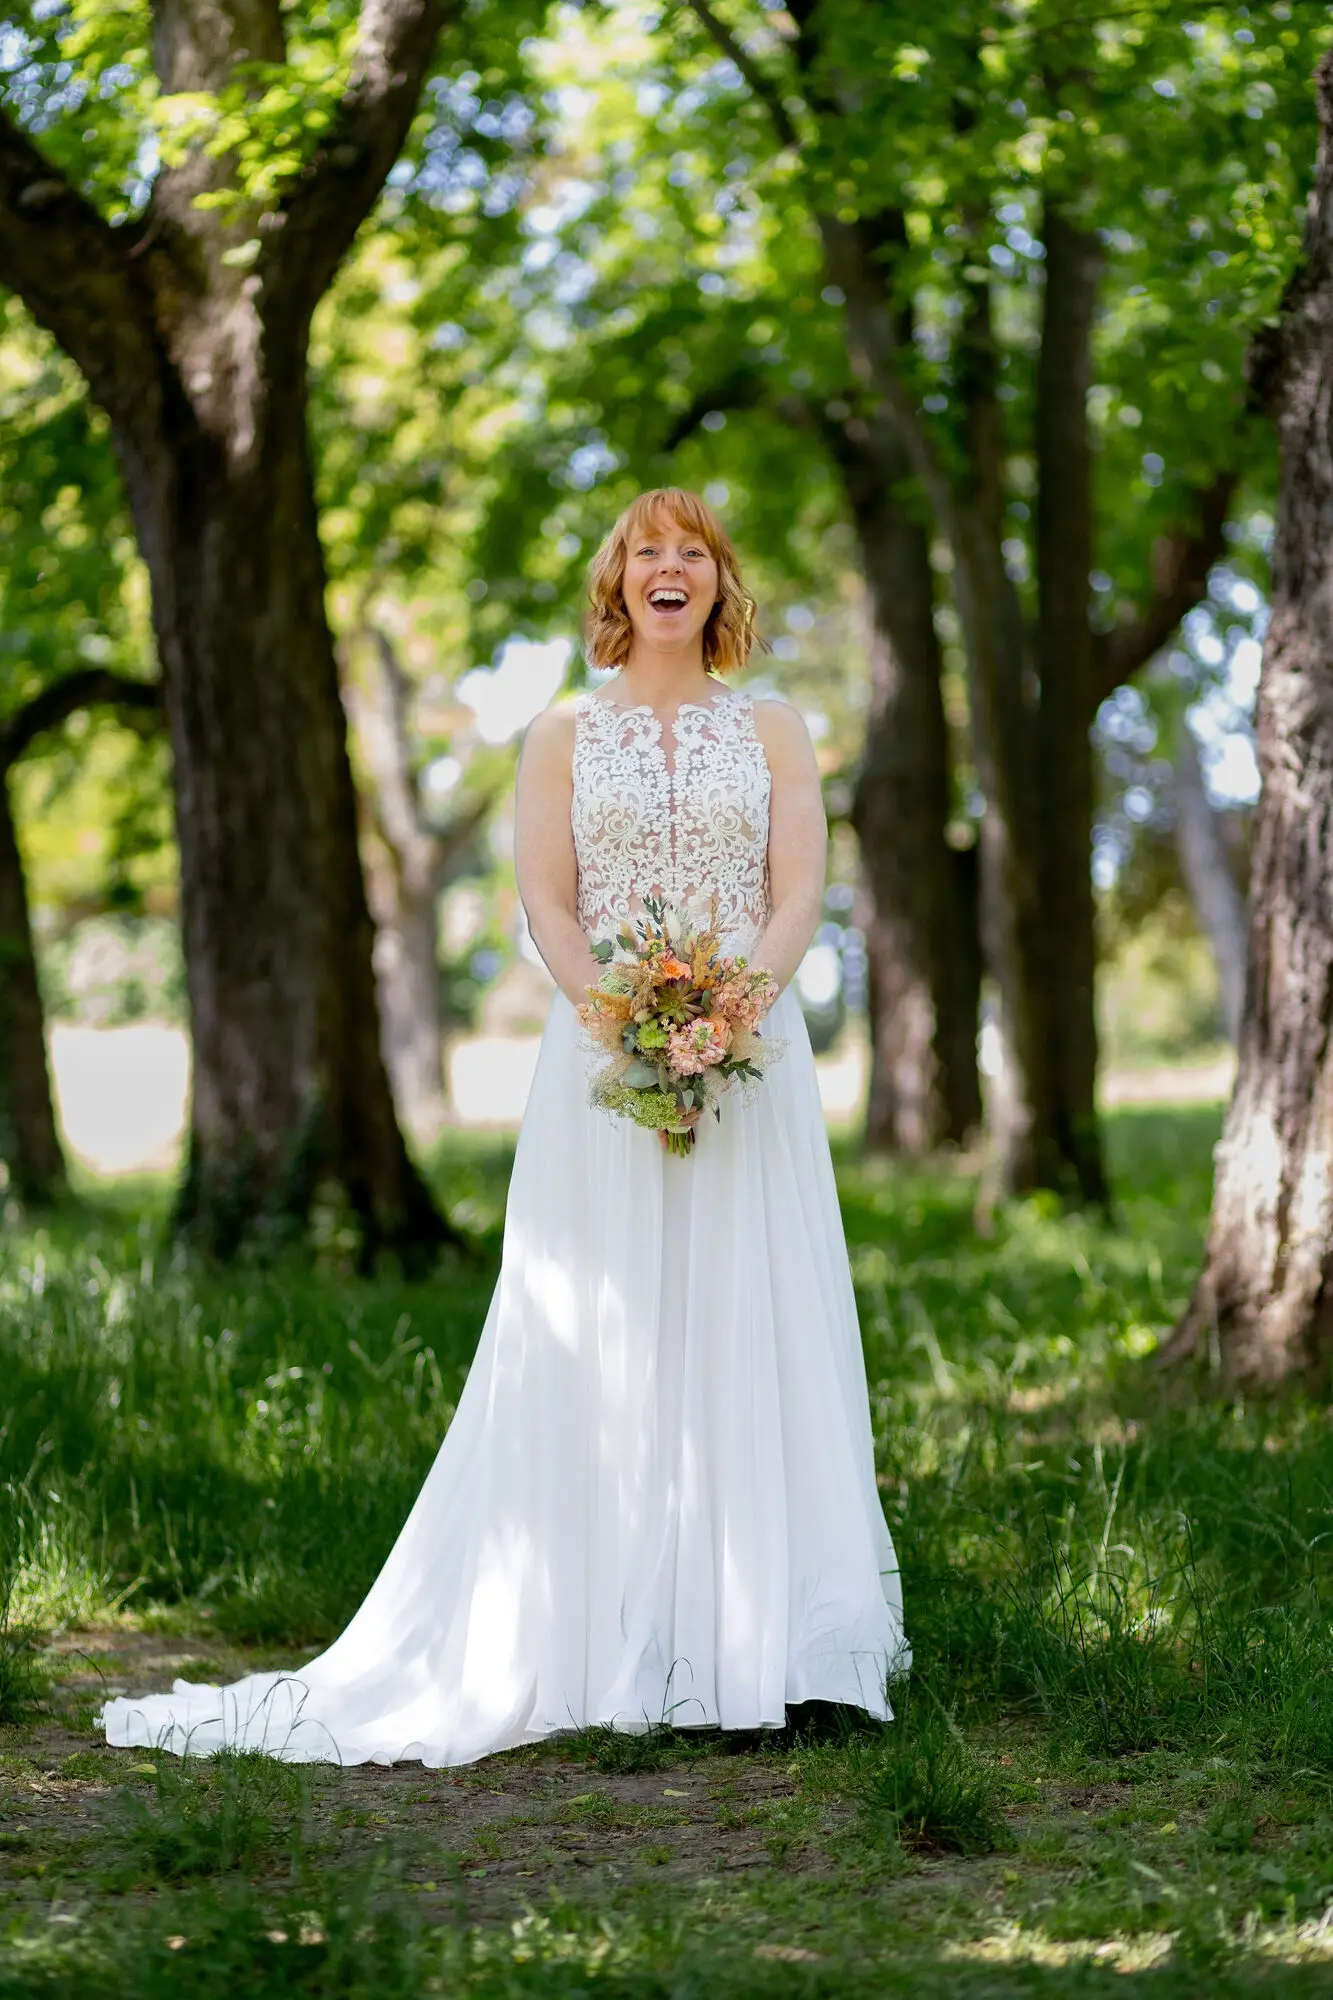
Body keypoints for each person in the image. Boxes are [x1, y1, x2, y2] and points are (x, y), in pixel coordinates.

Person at [101, 487, 909, 1768]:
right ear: (616, 582)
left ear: (719, 583)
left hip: (752, 1064)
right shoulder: (556, 735)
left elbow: (799, 884)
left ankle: (773, 1648)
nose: (669, 566)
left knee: (749, 1318)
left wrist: (725, 1020)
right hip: (600, 1063)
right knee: (607, 1332)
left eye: (691, 550)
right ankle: (602, 1641)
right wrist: (635, 1026)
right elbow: (547, 901)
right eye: (647, 548)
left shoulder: (774, 729)